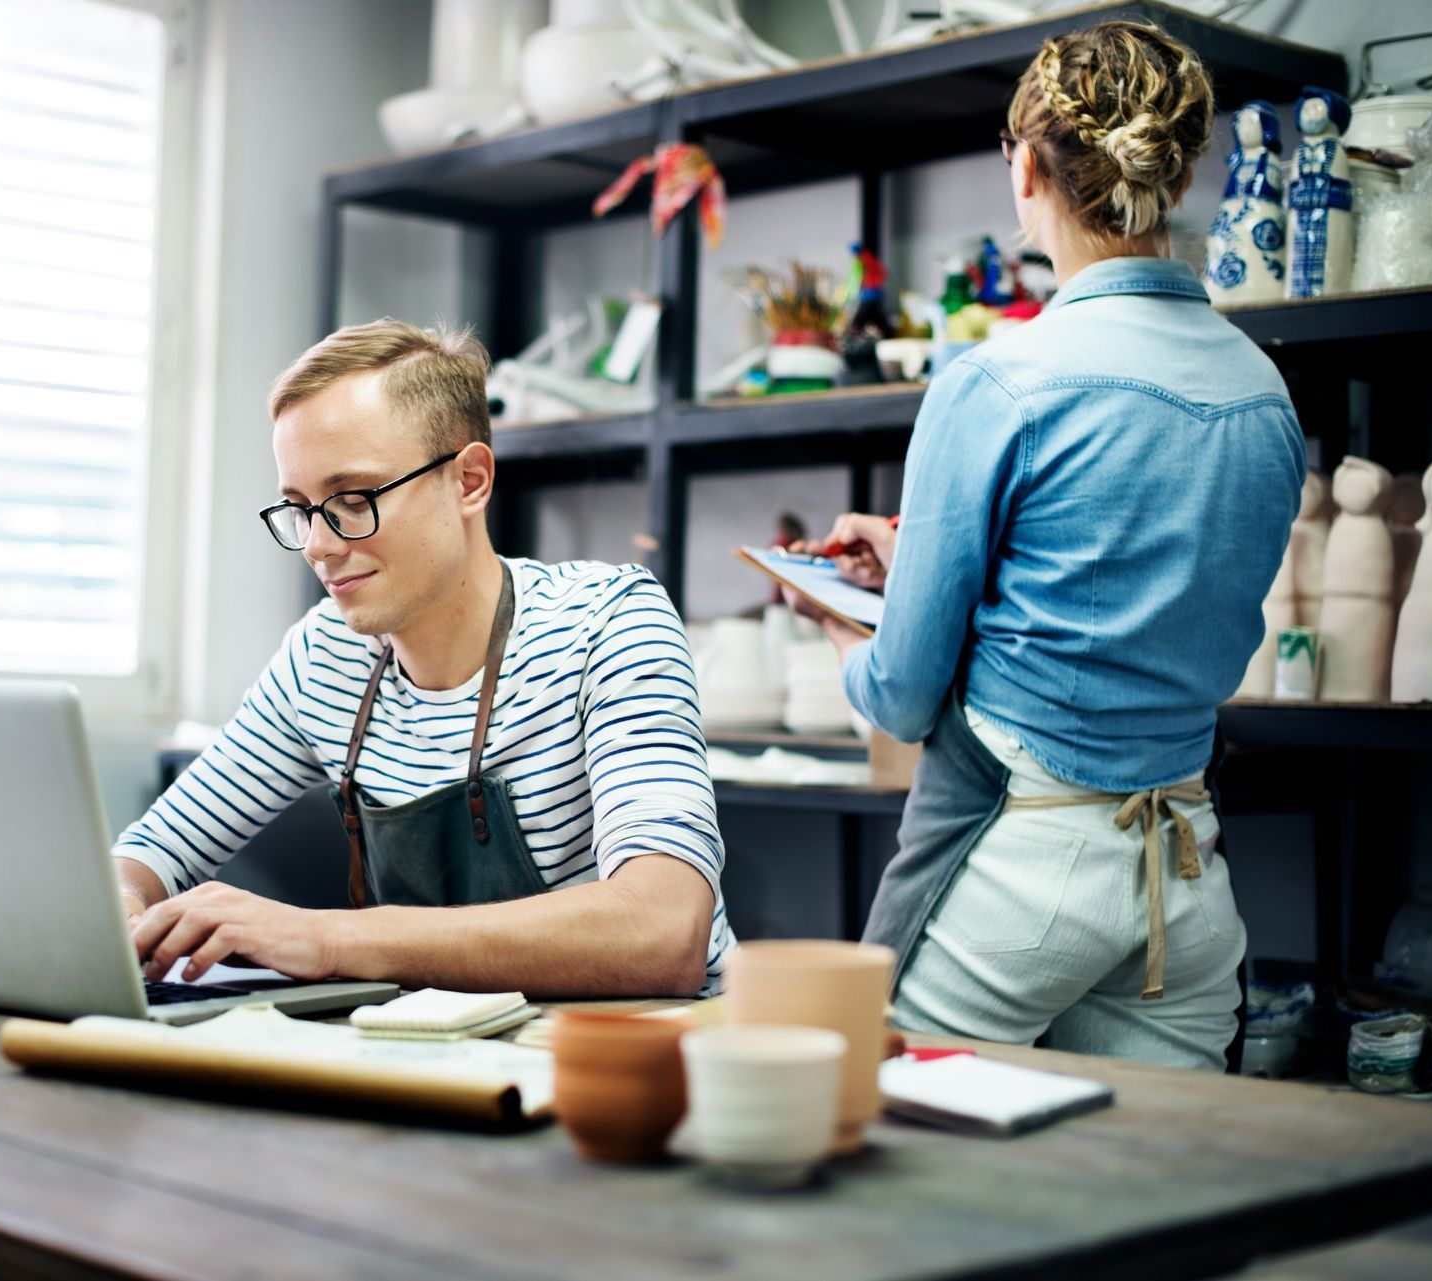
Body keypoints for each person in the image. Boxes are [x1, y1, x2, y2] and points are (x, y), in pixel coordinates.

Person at [796, 20, 1305, 1069]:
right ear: (1172, 169)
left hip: (1018, 862)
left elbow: (901, 695)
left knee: (889, 1151)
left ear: (1025, 166)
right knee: (1158, 1196)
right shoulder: (1264, 392)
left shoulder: (999, 381)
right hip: (1182, 873)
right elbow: (1127, 569)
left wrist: (838, 636)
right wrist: (919, 560)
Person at [113, 320, 730, 997]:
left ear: (469, 480)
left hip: (632, 1064)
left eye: (353, 499)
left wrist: (326, 940)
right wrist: (118, 906)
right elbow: (148, 853)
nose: (319, 544)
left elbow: (664, 930)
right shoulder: (325, 657)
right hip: (442, 1057)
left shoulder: (608, 623)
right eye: (300, 508)